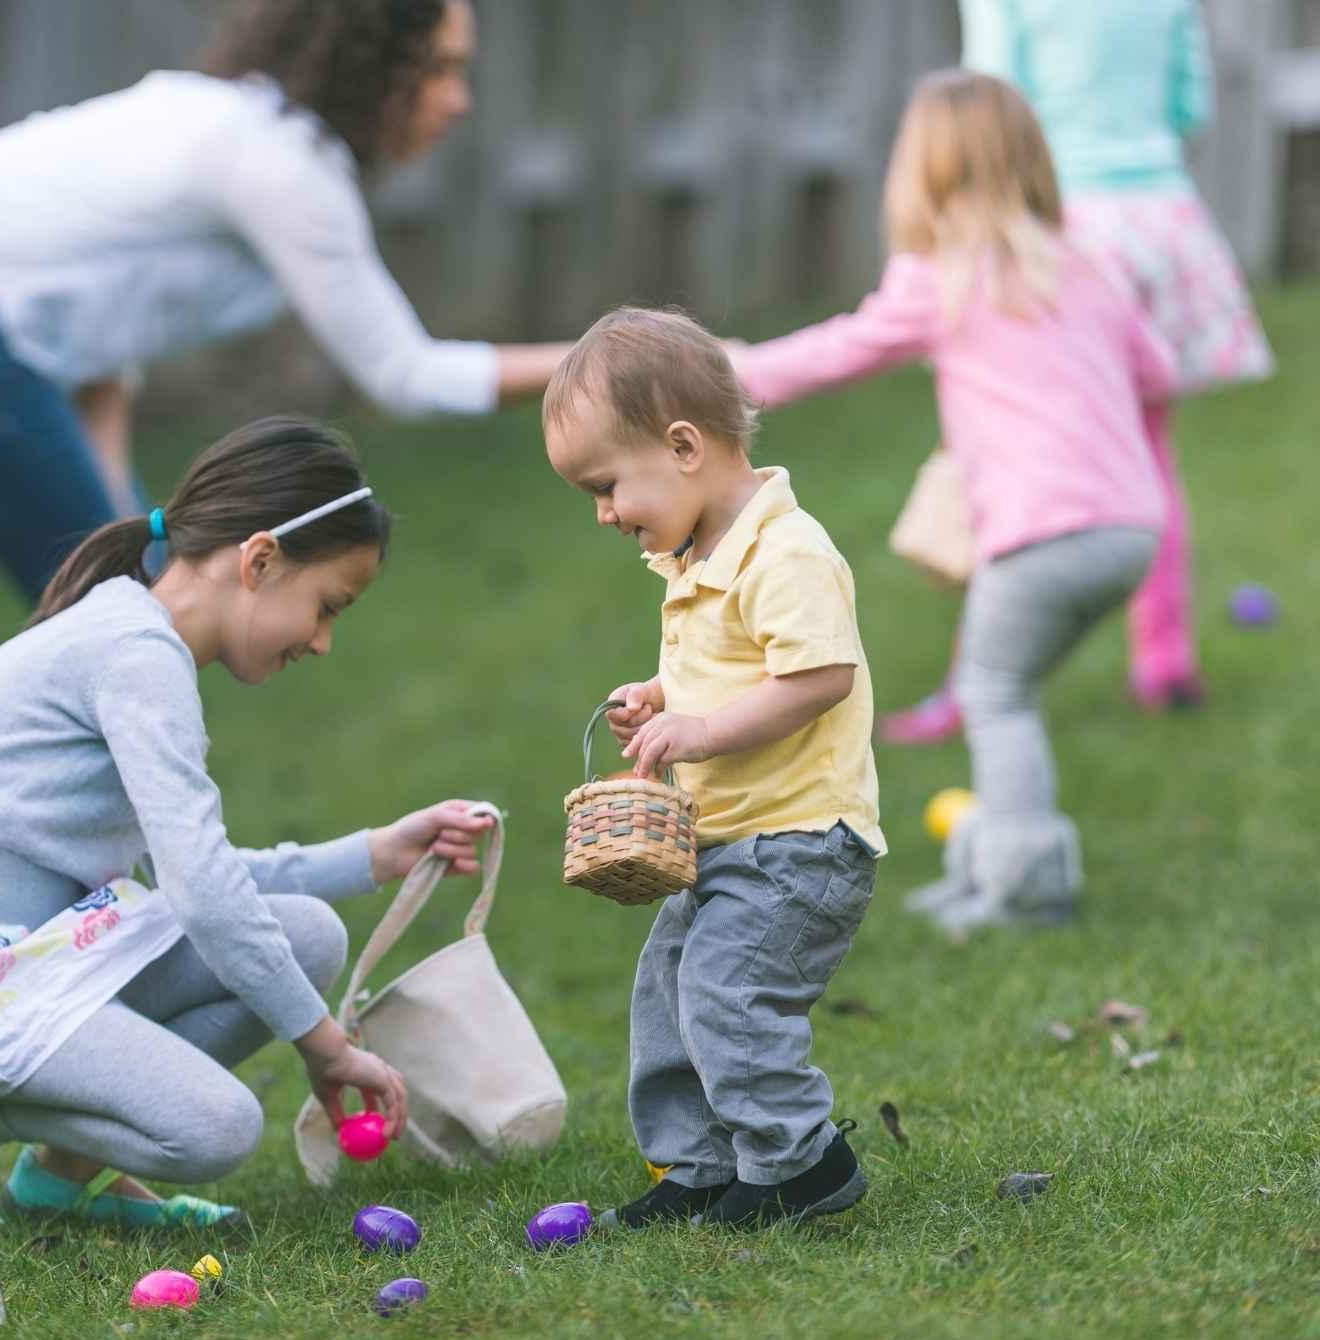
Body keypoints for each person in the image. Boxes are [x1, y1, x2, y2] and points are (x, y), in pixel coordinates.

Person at [0, 415, 494, 1228]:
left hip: (36, 952)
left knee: (308, 937)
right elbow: (202, 893)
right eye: (327, 605)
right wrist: (325, 1047)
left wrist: (374, 854)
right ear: (259, 560)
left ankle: (62, 1179)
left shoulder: (132, 637)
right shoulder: (136, 654)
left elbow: (199, 879)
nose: (325, 641)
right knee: (218, 1128)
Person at [0, 0, 570, 601]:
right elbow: (407, 377)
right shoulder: (278, 162)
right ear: (370, 64)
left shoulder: (243, 128)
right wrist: (613, 356)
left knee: (138, 593)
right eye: (438, 69)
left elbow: (101, 331)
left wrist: (116, 514)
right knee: (126, 617)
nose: (461, 101)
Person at [729, 71, 1175, 932]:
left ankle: (1025, 889)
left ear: (921, 177)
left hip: (1042, 535)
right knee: (1013, 688)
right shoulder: (1087, 265)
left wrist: (731, 369)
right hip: (1130, 528)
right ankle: (991, 865)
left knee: (996, 693)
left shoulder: (941, 279)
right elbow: (1156, 372)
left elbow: (838, 350)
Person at [543, 307, 883, 1230]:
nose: (605, 513)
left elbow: (816, 678)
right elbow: (732, 664)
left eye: (608, 485)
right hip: (723, 840)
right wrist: (663, 694)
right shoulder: (699, 555)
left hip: (800, 841)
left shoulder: (788, 551)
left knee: (729, 998)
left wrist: (698, 732)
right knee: (668, 1000)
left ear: (684, 446)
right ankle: (697, 1167)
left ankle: (799, 1163)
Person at [882, 0, 1276, 741]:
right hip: (1161, 219)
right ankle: (1165, 662)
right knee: (1151, 454)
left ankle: (977, 684)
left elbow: (989, 105)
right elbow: (1190, 103)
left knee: (1008, 454)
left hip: (1054, 225)